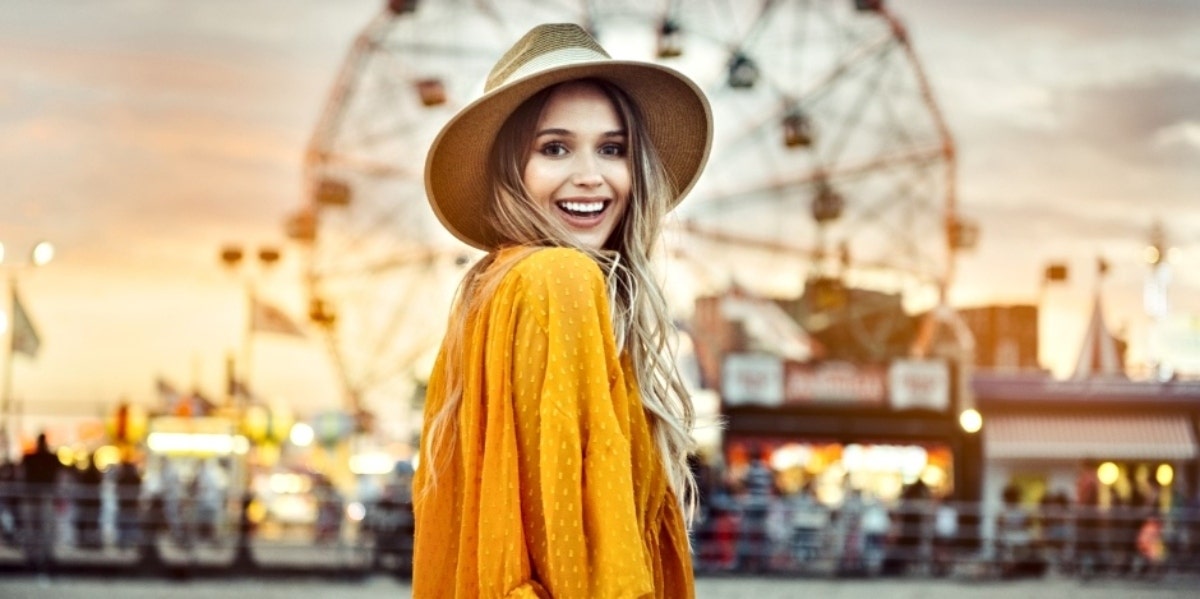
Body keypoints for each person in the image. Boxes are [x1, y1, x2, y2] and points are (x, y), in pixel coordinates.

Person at [412, 22, 712, 598]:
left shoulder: (491, 294)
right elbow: (588, 561)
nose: (590, 177)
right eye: (554, 148)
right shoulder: (558, 280)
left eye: (612, 148)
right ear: (509, 169)